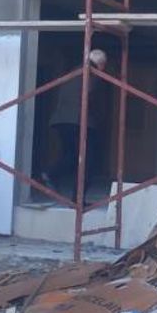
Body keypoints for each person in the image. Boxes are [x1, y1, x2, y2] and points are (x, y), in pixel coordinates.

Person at [47, 49, 108, 201]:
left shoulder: (75, 71)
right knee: (88, 160)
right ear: (101, 64)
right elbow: (90, 98)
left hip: (62, 120)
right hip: (78, 121)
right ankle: (75, 196)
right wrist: (99, 119)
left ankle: (54, 176)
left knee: (73, 155)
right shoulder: (91, 74)